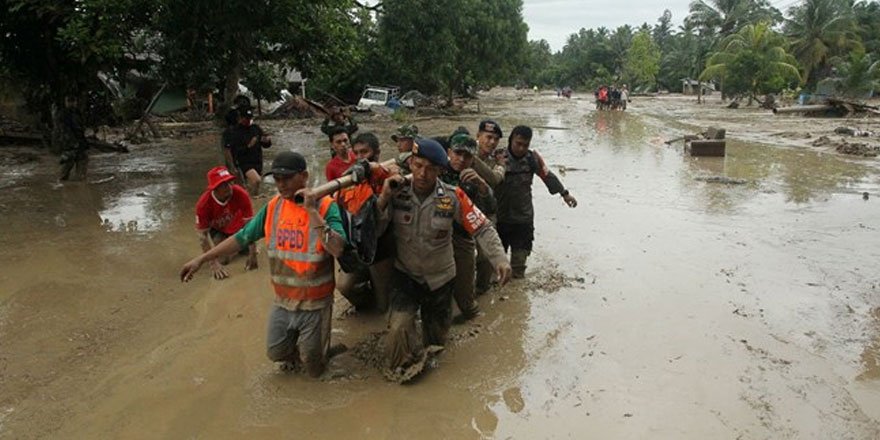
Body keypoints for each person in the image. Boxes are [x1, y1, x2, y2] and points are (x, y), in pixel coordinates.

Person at [180, 151, 347, 378]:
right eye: (277, 179)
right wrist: (202, 259)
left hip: (315, 304)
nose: (281, 185)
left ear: (304, 176)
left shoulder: (327, 206)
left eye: (286, 178)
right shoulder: (273, 207)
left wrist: (311, 211)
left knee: (314, 370)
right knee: (276, 352)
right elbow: (241, 237)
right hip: (282, 301)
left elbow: (338, 248)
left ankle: (320, 355)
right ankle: (312, 350)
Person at [376, 138, 511, 380]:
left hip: (440, 279)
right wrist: (383, 199)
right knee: (398, 329)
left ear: (440, 170)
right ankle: (397, 378)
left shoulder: (453, 197)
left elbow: (482, 227)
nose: (422, 174)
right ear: (411, 164)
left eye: (430, 168)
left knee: (435, 344)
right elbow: (372, 229)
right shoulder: (395, 193)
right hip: (405, 275)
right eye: (417, 166)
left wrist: (499, 259)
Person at [496, 125, 577, 279]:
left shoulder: (532, 158)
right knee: (495, 266)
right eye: (517, 143)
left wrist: (565, 194)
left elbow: (548, 176)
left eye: (525, 145)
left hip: (523, 220)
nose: (521, 148)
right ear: (510, 140)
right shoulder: (498, 158)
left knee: (518, 268)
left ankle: (517, 298)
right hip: (500, 219)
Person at [334, 132, 397, 311]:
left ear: (376, 152)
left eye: (365, 152)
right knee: (345, 287)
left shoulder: (388, 175)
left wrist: (374, 170)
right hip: (357, 245)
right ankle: (366, 308)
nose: (360, 157)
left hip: (382, 246)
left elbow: (382, 218)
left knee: (383, 301)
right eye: (357, 153)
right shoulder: (350, 179)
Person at [441, 134, 496, 322]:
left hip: (463, 236)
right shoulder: (436, 169)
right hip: (435, 237)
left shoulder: (474, 177)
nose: (461, 159)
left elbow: (489, 210)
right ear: (449, 152)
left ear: (473, 159)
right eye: (458, 154)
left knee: (467, 301)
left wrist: (482, 186)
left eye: (467, 156)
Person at [195, 166, 257, 279]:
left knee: (247, 252)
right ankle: (230, 247)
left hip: (239, 227)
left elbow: (250, 224)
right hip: (219, 229)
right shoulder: (203, 204)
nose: (228, 187)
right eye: (223, 184)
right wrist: (213, 264)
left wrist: (253, 253)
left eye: (229, 182)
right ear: (214, 188)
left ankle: (235, 247)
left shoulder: (240, 193)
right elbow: (202, 236)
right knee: (223, 260)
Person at [471, 120, 506, 294]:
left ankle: (482, 289)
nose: (492, 142)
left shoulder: (492, 158)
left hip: (486, 211)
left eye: (496, 139)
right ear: (478, 136)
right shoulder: (468, 155)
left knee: (485, 256)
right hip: (465, 210)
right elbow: (494, 178)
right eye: (488, 137)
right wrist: (502, 165)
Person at [223, 109, 272, 196]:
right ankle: (252, 199)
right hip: (244, 162)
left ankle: (251, 198)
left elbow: (266, 145)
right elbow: (235, 151)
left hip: (257, 161)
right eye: (246, 118)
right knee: (256, 180)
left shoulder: (256, 128)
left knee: (252, 185)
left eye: (250, 118)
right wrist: (248, 146)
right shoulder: (235, 132)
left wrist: (266, 141)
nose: (248, 121)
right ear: (241, 118)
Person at [57, 95, 89, 181]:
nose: (71, 103)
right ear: (66, 102)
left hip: (79, 144)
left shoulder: (78, 113)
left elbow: (82, 128)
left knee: (81, 174)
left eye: (73, 101)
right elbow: (62, 131)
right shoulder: (63, 115)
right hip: (69, 146)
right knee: (64, 172)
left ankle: (79, 188)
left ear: (75, 102)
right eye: (69, 101)